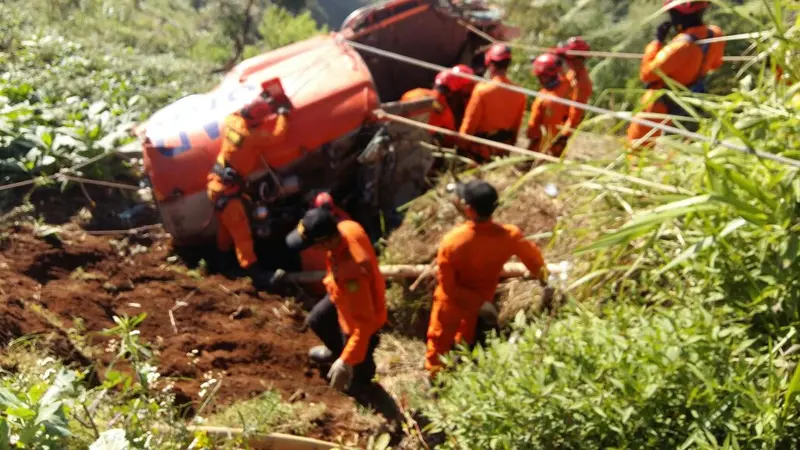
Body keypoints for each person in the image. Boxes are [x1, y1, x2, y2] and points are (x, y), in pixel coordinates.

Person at [425, 180, 548, 376]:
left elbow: (448, 287)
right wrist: (546, 281)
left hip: (451, 305)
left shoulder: (452, 242)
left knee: (440, 346)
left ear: (469, 210)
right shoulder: (510, 235)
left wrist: (478, 304)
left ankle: (437, 384)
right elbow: (534, 261)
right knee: (467, 341)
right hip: (483, 302)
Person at [286, 208, 387, 393]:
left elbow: (364, 325)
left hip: (363, 315)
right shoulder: (346, 227)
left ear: (328, 241)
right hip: (340, 294)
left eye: (314, 246)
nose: (312, 251)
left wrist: (346, 361)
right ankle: (337, 351)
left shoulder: (354, 273)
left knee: (359, 361)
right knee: (317, 320)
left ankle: (363, 382)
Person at [206, 88, 290, 289]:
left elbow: (236, 115)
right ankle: (255, 274)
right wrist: (282, 115)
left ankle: (222, 263)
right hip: (227, 192)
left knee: (226, 230)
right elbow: (277, 136)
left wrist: (262, 102)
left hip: (215, 185)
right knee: (242, 234)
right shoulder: (251, 136)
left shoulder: (231, 122)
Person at [626, 0, 725, 149]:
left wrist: (657, 42)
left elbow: (646, 74)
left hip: (660, 102)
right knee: (682, 148)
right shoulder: (715, 35)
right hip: (691, 99)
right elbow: (716, 64)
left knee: (639, 145)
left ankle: (633, 168)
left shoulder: (679, 47)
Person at [459, 44, 527, 162]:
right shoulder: (519, 93)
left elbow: (469, 124)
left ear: (489, 64)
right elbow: (516, 126)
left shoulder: (482, 91)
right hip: (501, 152)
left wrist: (460, 146)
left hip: (479, 152)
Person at [400, 65, 476, 146]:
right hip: (417, 147)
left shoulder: (411, 94)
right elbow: (451, 140)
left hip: (395, 137)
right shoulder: (446, 115)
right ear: (453, 92)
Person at [526, 53, 578, 157]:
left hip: (545, 148)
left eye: (540, 76)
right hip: (559, 144)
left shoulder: (547, 99)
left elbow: (535, 129)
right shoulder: (567, 85)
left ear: (544, 76)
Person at [555, 36, 594, 132]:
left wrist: (564, 136)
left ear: (577, 60)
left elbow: (575, 116)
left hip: (563, 127)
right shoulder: (571, 73)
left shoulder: (582, 85)